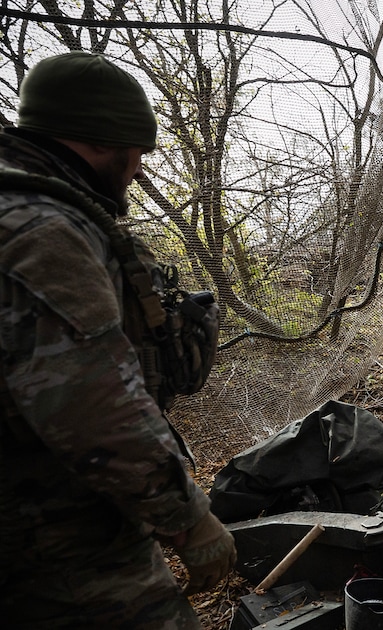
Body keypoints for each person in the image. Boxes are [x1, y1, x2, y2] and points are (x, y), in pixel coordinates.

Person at [0, 52, 235, 629]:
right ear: (106, 142)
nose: (138, 170)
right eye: (138, 153)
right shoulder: (43, 233)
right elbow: (92, 402)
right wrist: (187, 518)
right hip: (47, 538)